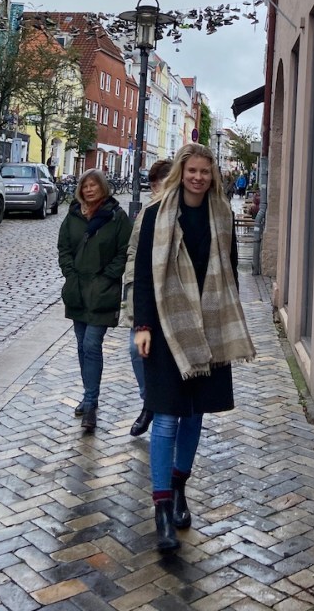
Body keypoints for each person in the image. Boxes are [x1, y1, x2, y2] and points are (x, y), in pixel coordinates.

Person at [133, 143, 256, 552]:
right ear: (181, 173)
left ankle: (179, 486)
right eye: (192, 171)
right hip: (167, 325)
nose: (198, 178)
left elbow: (230, 271)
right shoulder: (156, 214)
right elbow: (144, 273)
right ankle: (162, 508)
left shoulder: (222, 214)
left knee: (195, 414)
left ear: (212, 174)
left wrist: (228, 318)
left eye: (205, 171)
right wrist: (142, 325)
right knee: (167, 418)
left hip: (209, 325)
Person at [57, 168, 132, 433]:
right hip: (77, 290)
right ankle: (89, 394)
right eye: (85, 186)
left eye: (93, 185)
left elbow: (124, 251)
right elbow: (64, 247)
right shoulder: (73, 215)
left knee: (91, 343)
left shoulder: (116, 216)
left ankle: (90, 402)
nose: (89, 190)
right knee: (81, 345)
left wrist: (107, 276)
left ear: (103, 187)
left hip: (102, 291)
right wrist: (70, 273)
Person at [120, 158, 173, 437]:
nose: (157, 190)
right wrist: (131, 281)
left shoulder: (178, 209)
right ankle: (149, 401)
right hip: (142, 291)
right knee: (136, 349)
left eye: (160, 184)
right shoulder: (146, 212)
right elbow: (133, 249)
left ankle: (162, 405)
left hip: (170, 294)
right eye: (154, 185)